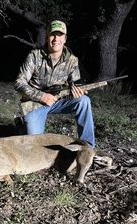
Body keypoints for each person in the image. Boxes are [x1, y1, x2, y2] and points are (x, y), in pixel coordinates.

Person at [14, 20, 95, 148]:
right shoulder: (34, 56)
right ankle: (22, 126)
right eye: (52, 35)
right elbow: (19, 83)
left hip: (58, 101)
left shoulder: (72, 60)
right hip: (35, 104)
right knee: (35, 146)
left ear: (65, 38)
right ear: (47, 37)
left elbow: (75, 84)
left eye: (60, 35)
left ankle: (88, 147)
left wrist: (78, 91)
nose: (56, 39)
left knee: (84, 101)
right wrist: (41, 96)